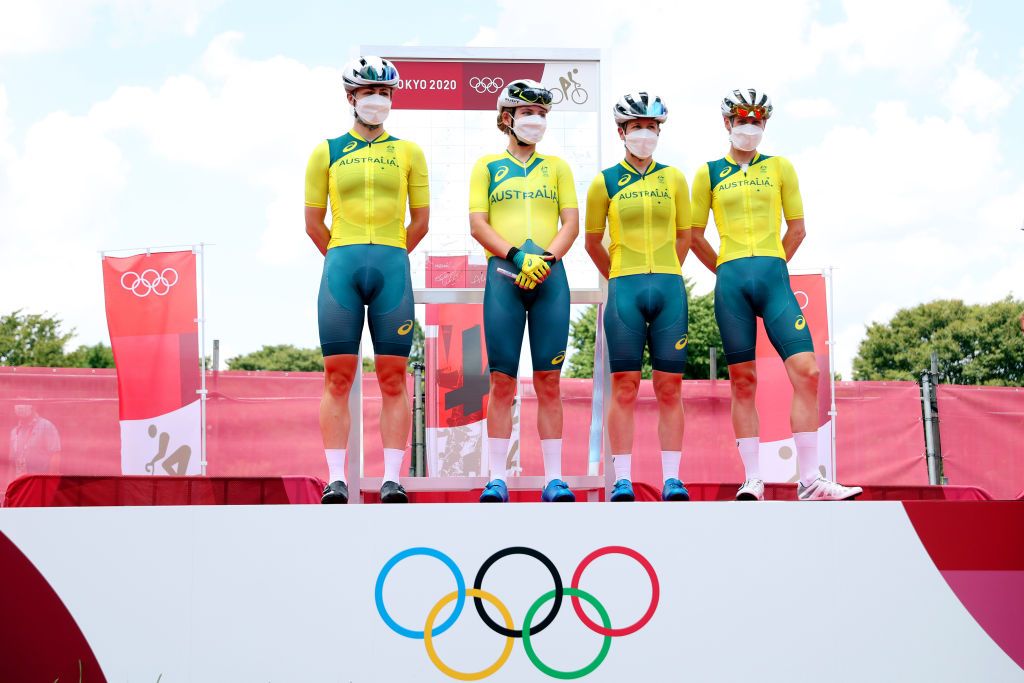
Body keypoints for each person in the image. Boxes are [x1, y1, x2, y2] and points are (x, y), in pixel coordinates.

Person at [689, 88, 862, 501]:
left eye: (758, 120)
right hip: (731, 280)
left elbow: (798, 228)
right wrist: (728, 271)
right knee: (743, 380)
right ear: (727, 123)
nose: (750, 127)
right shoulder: (708, 172)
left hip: (773, 278)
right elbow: (694, 236)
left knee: (808, 371)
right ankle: (753, 479)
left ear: (765, 124)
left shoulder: (780, 167)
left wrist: (770, 266)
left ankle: (811, 481)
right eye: (742, 119)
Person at [304, 56, 429, 504]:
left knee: (394, 378)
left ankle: (391, 479)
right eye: (370, 92)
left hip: (392, 267)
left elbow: (421, 222)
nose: (378, 100)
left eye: (386, 93)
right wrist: (345, 254)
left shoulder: (409, 152)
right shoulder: (327, 150)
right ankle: (336, 478)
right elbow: (313, 223)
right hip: (341, 267)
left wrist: (389, 253)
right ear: (351, 97)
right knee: (337, 376)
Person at [468, 79, 579, 503]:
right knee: (501, 381)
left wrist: (545, 260)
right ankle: (497, 477)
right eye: (528, 113)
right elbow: (478, 224)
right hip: (504, 276)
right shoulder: (486, 167)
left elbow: (570, 223)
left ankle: (554, 478)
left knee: (549, 381)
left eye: (542, 115)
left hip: (550, 277)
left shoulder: (558, 168)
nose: (536, 121)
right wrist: (517, 256)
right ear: (507, 118)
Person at [584, 92, 692, 503]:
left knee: (669, 387)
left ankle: (672, 479)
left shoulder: (674, 178)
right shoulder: (604, 181)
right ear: (622, 132)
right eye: (637, 127)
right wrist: (619, 274)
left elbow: (685, 235)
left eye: (651, 127)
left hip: (668, 287)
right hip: (624, 288)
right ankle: (623, 479)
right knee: (624, 386)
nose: (644, 134)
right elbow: (593, 241)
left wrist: (667, 268)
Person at [9, 404, 61, 479]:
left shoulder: (46, 426)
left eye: (24, 401)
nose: (20, 406)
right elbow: (12, 462)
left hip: (40, 480)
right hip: (20, 481)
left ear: (34, 405)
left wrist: (50, 481)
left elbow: (55, 455)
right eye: (18, 401)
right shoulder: (14, 432)